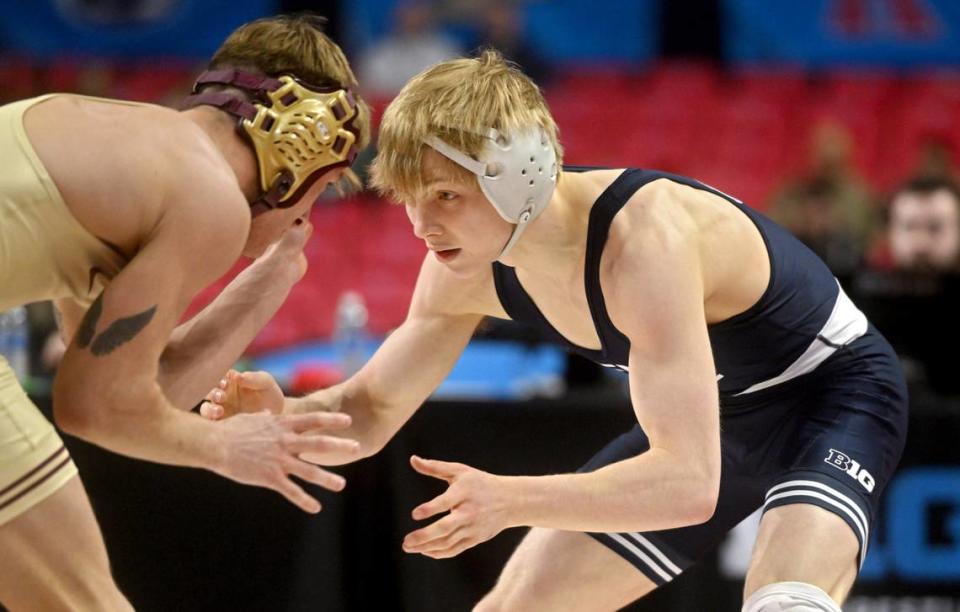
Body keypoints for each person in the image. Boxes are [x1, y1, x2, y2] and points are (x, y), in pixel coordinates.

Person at [206, 51, 908, 612]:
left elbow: (690, 482)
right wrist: (286, 419)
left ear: (520, 175)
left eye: (445, 196)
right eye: (412, 202)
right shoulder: (463, 268)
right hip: (713, 419)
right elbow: (372, 411)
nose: (422, 226)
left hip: (831, 395)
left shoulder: (645, 243)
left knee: (787, 604)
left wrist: (510, 499)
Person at [0, 14, 369, 610]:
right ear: (299, 147)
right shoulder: (209, 197)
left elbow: (136, 392)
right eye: (321, 188)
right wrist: (226, 448)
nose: (306, 214)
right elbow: (92, 407)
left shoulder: (119, 145)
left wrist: (268, 280)